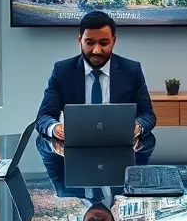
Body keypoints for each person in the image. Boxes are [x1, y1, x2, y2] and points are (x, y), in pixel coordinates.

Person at [36, 11, 156, 141]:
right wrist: (55, 128)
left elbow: (147, 115)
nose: (96, 51)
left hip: (119, 145)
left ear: (114, 41)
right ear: (80, 40)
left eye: (104, 43)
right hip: (76, 146)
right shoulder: (63, 71)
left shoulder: (131, 70)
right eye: (90, 43)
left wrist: (137, 127)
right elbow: (44, 116)